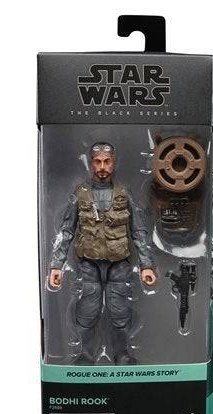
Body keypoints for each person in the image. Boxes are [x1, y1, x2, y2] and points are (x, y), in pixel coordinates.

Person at [48, 142, 157, 365]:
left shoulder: (124, 194)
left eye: (107, 162)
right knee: (88, 311)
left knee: (120, 312)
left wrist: (146, 265)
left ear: (114, 163)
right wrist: (56, 266)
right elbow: (66, 231)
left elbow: (139, 231)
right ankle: (86, 356)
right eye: (97, 162)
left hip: (119, 264)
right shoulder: (80, 194)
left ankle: (122, 355)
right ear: (90, 164)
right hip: (89, 264)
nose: (102, 167)